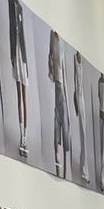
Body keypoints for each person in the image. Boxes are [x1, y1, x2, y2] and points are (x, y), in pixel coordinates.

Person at [7, 0, 28, 157]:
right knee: (19, 97)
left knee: (24, 99)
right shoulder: (10, 3)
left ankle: (25, 137)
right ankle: (21, 135)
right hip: (16, 56)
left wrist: (25, 62)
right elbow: (11, 31)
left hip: (23, 58)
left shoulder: (20, 8)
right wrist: (11, 56)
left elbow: (22, 36)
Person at [47, 30, 70, 179]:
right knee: (61, 123)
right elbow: (50, 59)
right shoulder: (53, 39)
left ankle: (61, 166)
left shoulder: (61, 41)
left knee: (61, 122)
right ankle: (59, 162)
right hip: (59, 85)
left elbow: (63, 68)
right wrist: (54, 75)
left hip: (62, 87)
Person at [73, 50, 89, 183]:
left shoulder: (82, 60)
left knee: (84, 135)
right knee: (82, 134)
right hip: (78, 98)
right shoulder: (75, 60)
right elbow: (75, 83)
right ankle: (84, 169)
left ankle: (84, 168)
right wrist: (76, 103)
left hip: (82, 98)